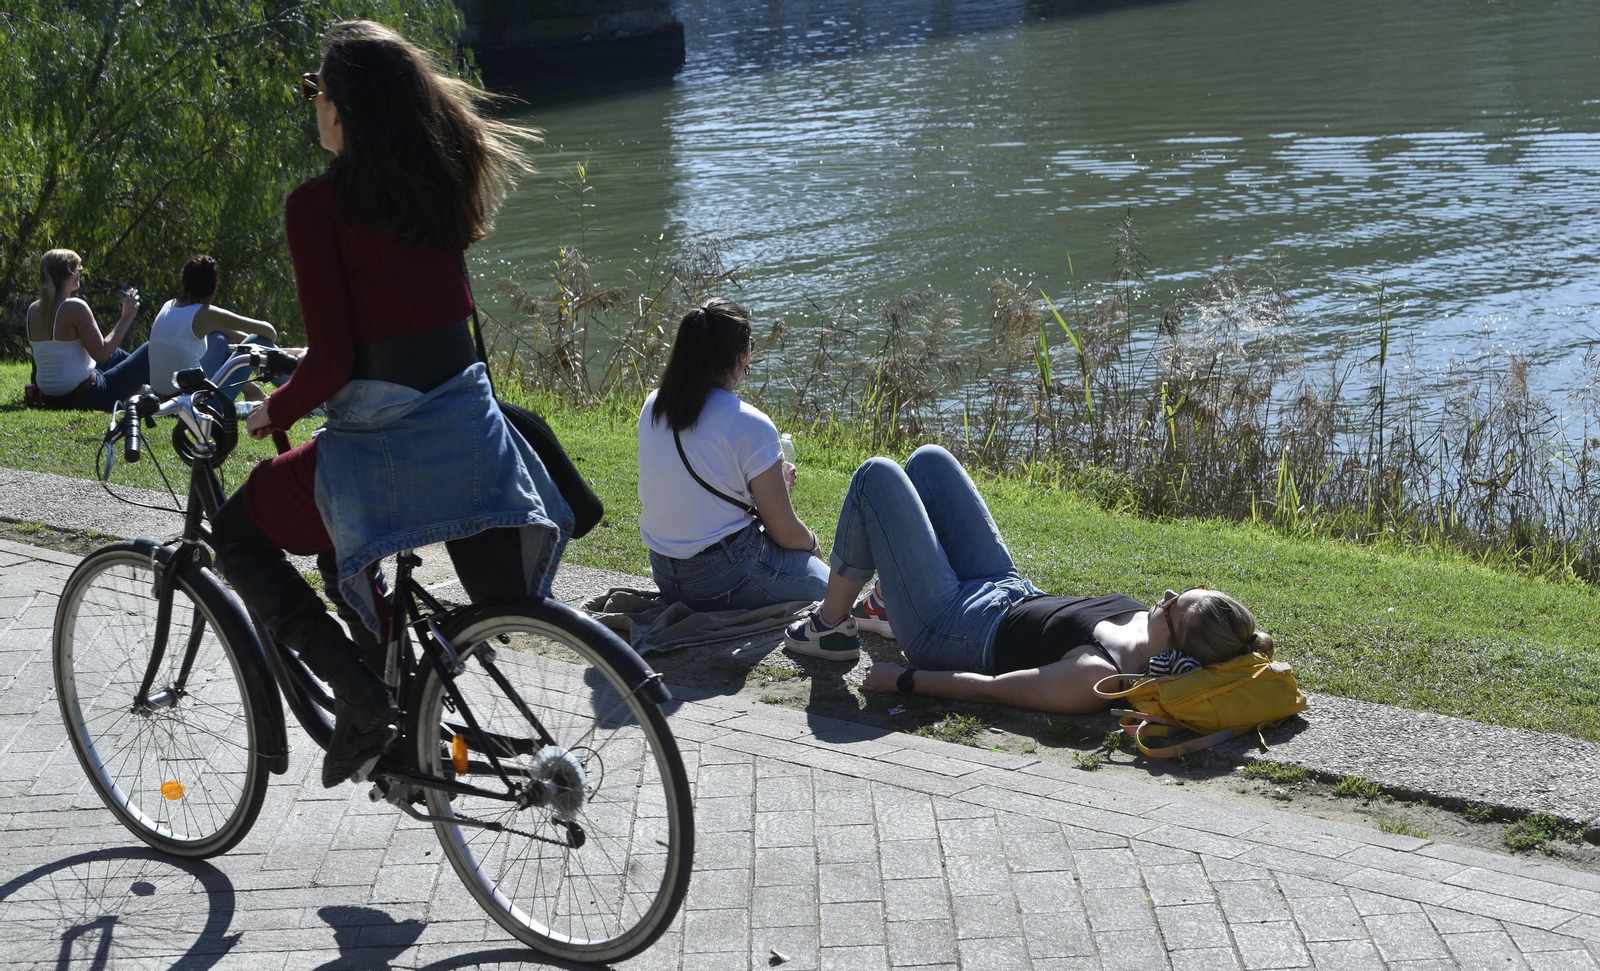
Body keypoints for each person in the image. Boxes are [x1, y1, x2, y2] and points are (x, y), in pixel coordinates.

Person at [209, 20, 571, 788]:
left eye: (314, 91)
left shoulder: (316, 206)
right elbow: (396, 324)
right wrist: (314, 372)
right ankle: (394, 699)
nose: (311, 104)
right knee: (338, 536)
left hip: (386, 459)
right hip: (470, 442)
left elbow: (335, 361)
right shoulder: (437, 183)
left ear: (339, 107)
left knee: (236, 531)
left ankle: (359, 690)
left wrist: (273, 409)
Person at [783, 445, 1273, 715]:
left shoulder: (1099, 675)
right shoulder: (1142, 626)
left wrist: (905, 679)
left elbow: (991, 689)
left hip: (949, 628)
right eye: (1183, 593)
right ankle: (891, 602)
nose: (1164, 597)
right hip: (1003, 586)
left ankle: (829, 627)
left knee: (876, 476)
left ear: (1178, 652)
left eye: (1172, 608)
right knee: (928, 463)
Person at [637, 298, 829, 612]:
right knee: (836, 593)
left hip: (665, 573)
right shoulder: (749, 422)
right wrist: (812, 544)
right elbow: (785, 531)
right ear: (743, 354)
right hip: (724, 575)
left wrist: (766, 480)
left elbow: (692, 479)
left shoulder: (654, 405)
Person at [25, 249, 150, 410]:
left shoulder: (33, 310)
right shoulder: (75, 307)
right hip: (90, 396)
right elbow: (103, 354)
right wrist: (127, 317)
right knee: (149, 350)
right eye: (79, 270)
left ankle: (148, 389)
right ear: (70, 274)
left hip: (51, 398)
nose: (80, 274)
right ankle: (165, 395)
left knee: (117, 354)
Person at [146, 255, 278, 400]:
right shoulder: (207, 313)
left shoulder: (169, 305)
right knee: (260, 341)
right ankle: (297, 392)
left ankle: (253, 391)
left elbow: (219, 329)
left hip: (161, 398)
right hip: (193, 402)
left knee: (219, 339)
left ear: (183, 282)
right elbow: (269, 331)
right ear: (213, 287)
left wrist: (242, 340)